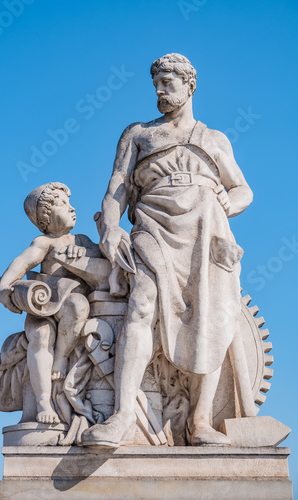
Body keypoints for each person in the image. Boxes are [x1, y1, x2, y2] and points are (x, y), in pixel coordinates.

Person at [81, 53, 253, 447]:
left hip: (208, 230)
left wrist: (231, 202)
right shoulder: (139, 134)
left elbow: (243, 188)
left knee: (213, 315)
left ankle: (200, 421)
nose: (159, 90)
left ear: (190, 85)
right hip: (154, 223)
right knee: (142, 303)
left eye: (167, 83)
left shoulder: (214, 139)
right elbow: (116, 190)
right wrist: (109, 226)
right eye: (155, 83)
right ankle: (124, 416)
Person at [0, 182, 99, 424]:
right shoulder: (43, 243)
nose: (72, 209)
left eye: (71, 203)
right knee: (40, 336)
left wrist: (85, 254)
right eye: (63, 204)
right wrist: (4, 290)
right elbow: (18, 268)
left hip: (69, 305)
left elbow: (105, 262)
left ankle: (61, 357)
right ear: (45, 217)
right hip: (42, 308)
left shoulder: (82, 241)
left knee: (78, 305)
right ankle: (43, 402)